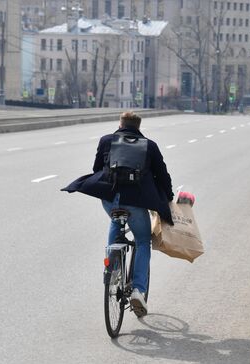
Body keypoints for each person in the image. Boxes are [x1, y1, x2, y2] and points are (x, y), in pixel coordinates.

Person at [62, 111, 174, 316]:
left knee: (116, 218)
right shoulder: (150, 146)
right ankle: (139, 290)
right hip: (136, 202)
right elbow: (163, 176)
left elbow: (97, 169)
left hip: (110, 198)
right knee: (142, 241)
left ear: (120, 124)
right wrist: (168, 198)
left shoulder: (106, 141)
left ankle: (112, 266)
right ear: (138, 127)